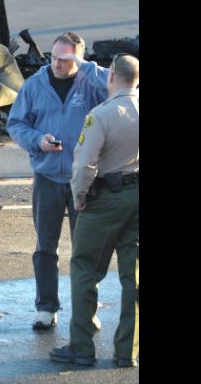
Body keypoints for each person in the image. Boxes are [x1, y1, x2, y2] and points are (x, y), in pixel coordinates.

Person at [6, 31, 109, 330]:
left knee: (86, 249)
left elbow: (121, 88)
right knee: (45, 247)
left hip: (84, 178)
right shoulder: (35, 84)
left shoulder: (92, 81)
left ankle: (86, 309)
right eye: (54, 58)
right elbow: (16, 124)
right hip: (47, 177)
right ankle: (46, 308)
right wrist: (38, 140)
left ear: (78, 58)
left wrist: (86, 67)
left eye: (65, 59)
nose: (58, 64)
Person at [50, 54, 139, 367]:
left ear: (112, 75)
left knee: (86, 268)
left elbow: (85, 161)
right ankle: (128, 351)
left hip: (105, 198)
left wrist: (79, 195)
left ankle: (82, 346)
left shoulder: (101, 114)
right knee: (135, 277)